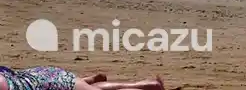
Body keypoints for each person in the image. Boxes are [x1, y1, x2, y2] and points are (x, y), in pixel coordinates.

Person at [0, 69, 167, 89]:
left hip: (50, 84)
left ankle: (146, 86)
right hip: (40, 74)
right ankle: (89, 80)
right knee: (79, 85)